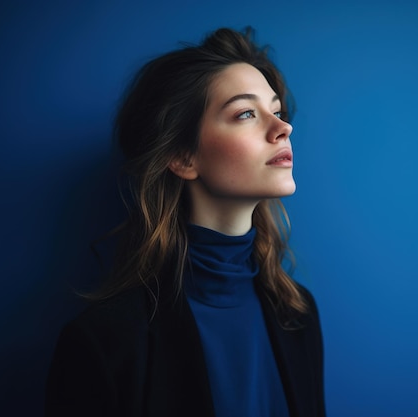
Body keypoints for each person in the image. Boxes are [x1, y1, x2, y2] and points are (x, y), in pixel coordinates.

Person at [45, 27, 325, 417]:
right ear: (183, 158)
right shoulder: (105, 342)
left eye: (277, 111)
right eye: (246, 113)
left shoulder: (298, 315)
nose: (283, 128)